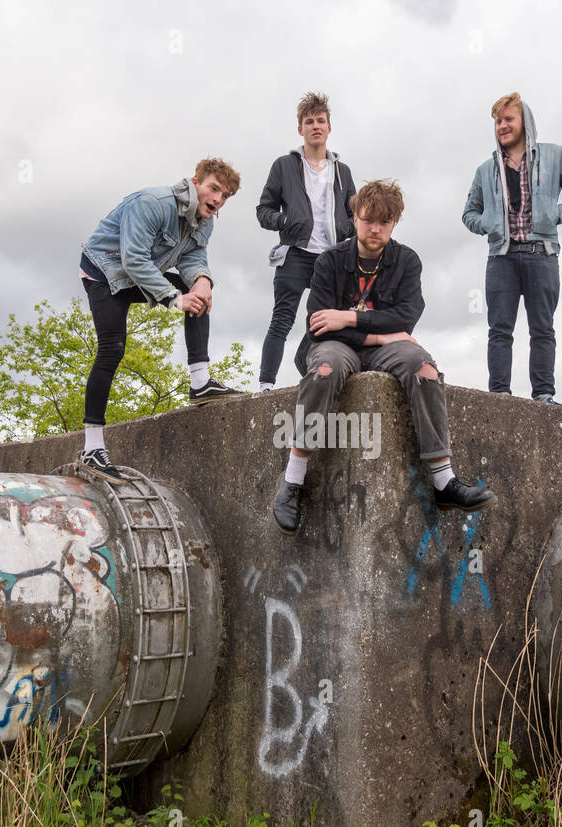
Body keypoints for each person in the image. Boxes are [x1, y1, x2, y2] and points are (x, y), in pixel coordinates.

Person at [272, 179, 495, 534]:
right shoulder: (330, 261)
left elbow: (407, 316)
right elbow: (319, 324)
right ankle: (292, 481)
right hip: (337, 346)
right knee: (325, 370)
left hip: (387, 349)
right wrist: (377, 331)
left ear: (394, 223)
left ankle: (444, 482)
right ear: (355, 217)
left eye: (384, 222)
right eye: (368, 220)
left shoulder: (407, 261)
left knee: (424, 368)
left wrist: (348, 316)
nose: (375, 229)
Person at [77, 158, 246, 478]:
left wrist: (202, 281)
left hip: (137, 274)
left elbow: (194, 257)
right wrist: (173, 298)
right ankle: (92, 447)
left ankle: (200, 383)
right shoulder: (152, 204)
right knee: (112, 349)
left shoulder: (205, 220)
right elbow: (133, 258)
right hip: (105, 273)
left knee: (196, 293)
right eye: (214, 189)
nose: (218, 199)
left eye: (225, 196)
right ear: (195, 182)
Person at [462, 92, 562, 404]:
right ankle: (500, 396)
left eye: (508, 119)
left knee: (543, 329)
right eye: (498, 121)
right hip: (501, 258)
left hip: (541, 254)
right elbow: (469, 213)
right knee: (499, 330)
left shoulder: (555, 155)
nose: (502, 126)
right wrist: (489, 224)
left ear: (524, 122)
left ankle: (543, 395)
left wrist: (557, 215)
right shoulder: (485, 170)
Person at [255, 92, 357, 392]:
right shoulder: (284, 165)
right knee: (282, 319)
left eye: (321, 121)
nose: (315, 126)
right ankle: (265, 385)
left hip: (331, 257)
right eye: (309, 121)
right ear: (300, 128)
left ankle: (313, 374)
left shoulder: (342, 171)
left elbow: (356, 214)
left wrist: (344, 229)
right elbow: (263, 210)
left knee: (327, 320)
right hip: (296, 254)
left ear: (329, 127)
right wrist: (286, 222)